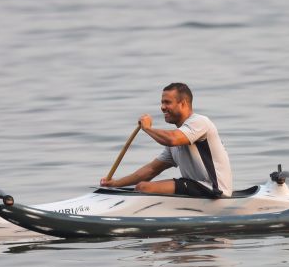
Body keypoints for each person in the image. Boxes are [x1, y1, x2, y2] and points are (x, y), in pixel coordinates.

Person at [100, 83, 233, 198]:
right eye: (162, 102)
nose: (162, 107)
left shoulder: (199, 122)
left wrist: (147, 128)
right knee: (142, 187)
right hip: (197, 188)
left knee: (144, 188)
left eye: (167, 102)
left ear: (183, 104)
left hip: (214, 189)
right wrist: (115, 183)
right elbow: (151, 170)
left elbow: (172, 139)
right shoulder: (175, 142)